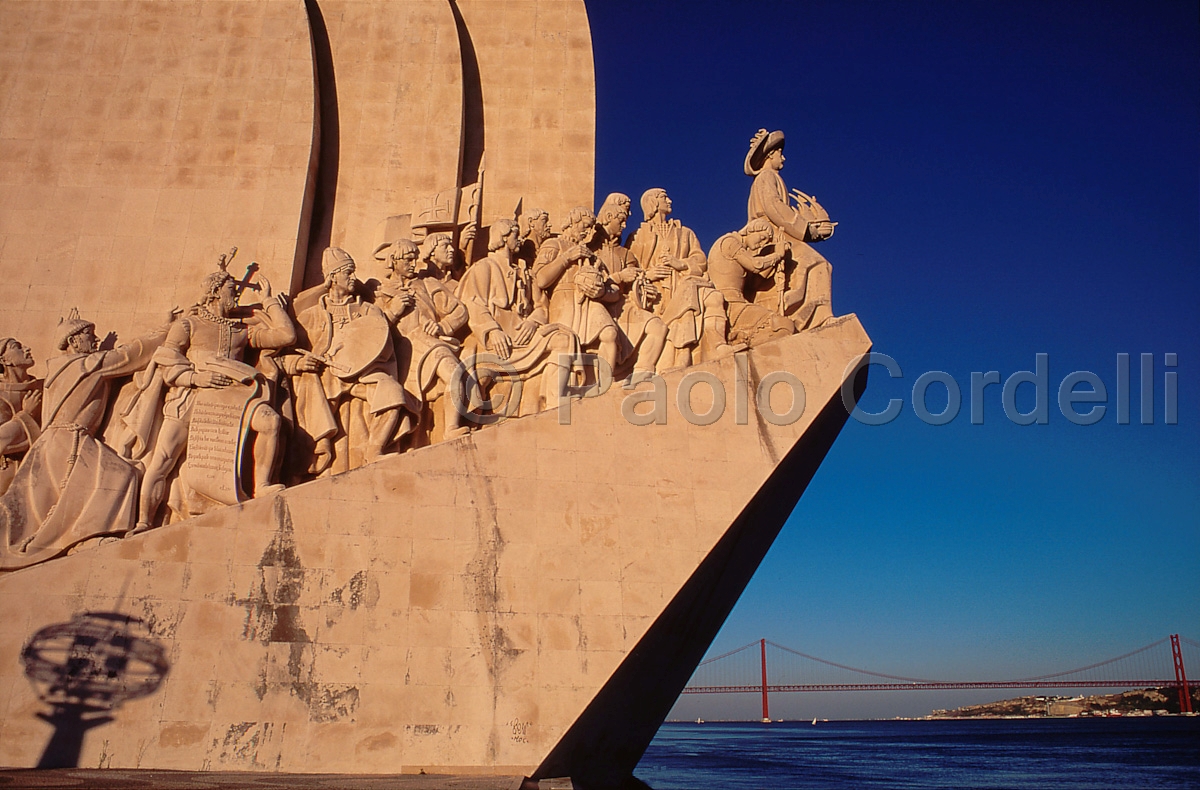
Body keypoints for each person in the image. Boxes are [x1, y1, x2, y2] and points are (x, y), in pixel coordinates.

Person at [1, 310, 170, 569]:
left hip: (61, 439)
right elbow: (131, 355)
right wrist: (167, 330)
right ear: (74, 342)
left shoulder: (59, 369)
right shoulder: (86, 364)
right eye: (89, 336)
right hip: (68, 438)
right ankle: (87, 537)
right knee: (119, 475)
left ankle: (82, 536)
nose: (96, 339)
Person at [136, 264, 295, 529]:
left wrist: (269, 302)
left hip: (230, 399)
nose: (237, 296)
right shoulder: (188, 324)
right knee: (163, 458)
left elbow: (286, 336)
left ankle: (262, 485)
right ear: (214, 293)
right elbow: (166, 358)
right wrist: (195, 378)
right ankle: (143, 521)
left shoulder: (239, 330)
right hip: (191, 397)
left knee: (270, 421)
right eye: (231, 290)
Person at [284, 247, 415, 475]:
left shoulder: (367, 310)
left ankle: (375, 449)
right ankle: (307, 461)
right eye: (348, 273)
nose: (354, 278)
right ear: (333, 277)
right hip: (325, 377)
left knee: (392, 391)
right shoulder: (312, 315)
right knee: (313, 393)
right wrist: (297, 364)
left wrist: (392, 314)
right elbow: (284, 353)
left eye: (353, 272)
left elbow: (380, 337)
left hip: (362, 375)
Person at [456, 218, 579, 417]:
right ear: (503, 237)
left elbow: (541, 305)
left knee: (563, 339)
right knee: (479, 373)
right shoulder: (484, 267)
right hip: (496, 340)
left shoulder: (525, 272)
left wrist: (533, 321)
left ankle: (555, 404)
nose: (519, 239)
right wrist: (492, 331)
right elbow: (473, 302)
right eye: (515, 234)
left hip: (524, 337)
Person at [625, 188, 738, 369]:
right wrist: (648, 274)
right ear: (653, 203)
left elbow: (700, 260)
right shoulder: (638, 236)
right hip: (656, 295)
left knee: (704, 296)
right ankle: (679, 358)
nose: (669, 201)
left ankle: (714, 346)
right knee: (688, 295)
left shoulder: (685, 233)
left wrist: (681, 264)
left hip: (683, 283)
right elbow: (629, 269)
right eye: (664, 197)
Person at [375, 239, 472, 442]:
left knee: (454, 373)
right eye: (408, 260)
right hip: (403, 354)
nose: (413, 264)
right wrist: (393, 311)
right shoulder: (381, 294)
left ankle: (452, 427)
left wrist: (442, 326)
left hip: (430, 343)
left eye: (415, 259)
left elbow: (460, 311)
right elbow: (374, 332)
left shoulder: (426, 284)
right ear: (394, 261)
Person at [744, 128, 835, 329]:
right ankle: (820, 319)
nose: (783, 158)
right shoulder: (766, 176)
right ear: (770, 155)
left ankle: (812, 317)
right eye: (779, 153)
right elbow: (775, 208)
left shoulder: (771, 178)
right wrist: (809, 230)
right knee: (819, 264)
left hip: (781, 234)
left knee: (818, 266)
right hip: (772, 237)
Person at [532, 206, 627, 375]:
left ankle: (604, 386)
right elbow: (541, 279)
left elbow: (612, 288)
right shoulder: (554, 244)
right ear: (572, 223)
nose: (589, 231)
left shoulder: (591, 255)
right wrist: (567, 257)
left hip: (591, 301)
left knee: (610, 333)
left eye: (591, 227)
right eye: (585, 226)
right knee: (568, 346)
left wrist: (602, 292)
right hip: (564, 300)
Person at [591, 194, 668, 377]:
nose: (625, 225)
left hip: (623, 305)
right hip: (598, 306)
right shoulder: (591, 248)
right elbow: (588, 281)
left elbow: (637, 278)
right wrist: (619, 277)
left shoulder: (625, 253)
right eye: (622, 220)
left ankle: (642, 371)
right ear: (609, 217)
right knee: (609, 335)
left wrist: (644, 282)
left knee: (658, 326)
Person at [707, 218, 796, 347]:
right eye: (762, 237)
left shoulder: (738, 248)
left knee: (782, 326)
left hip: (737, 303)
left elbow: (755, 279)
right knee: (782, 325)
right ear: (752, 230)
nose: (762, 243)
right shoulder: (730, 242)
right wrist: (777, 255)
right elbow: (756, 265)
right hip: (730, 304)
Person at [0, 338, 41, 497]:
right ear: (5, 360)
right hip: (8, 474)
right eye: (17, 347)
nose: (27, 348)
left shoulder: (43, 387)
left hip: (38, 471)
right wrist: (26, 415)